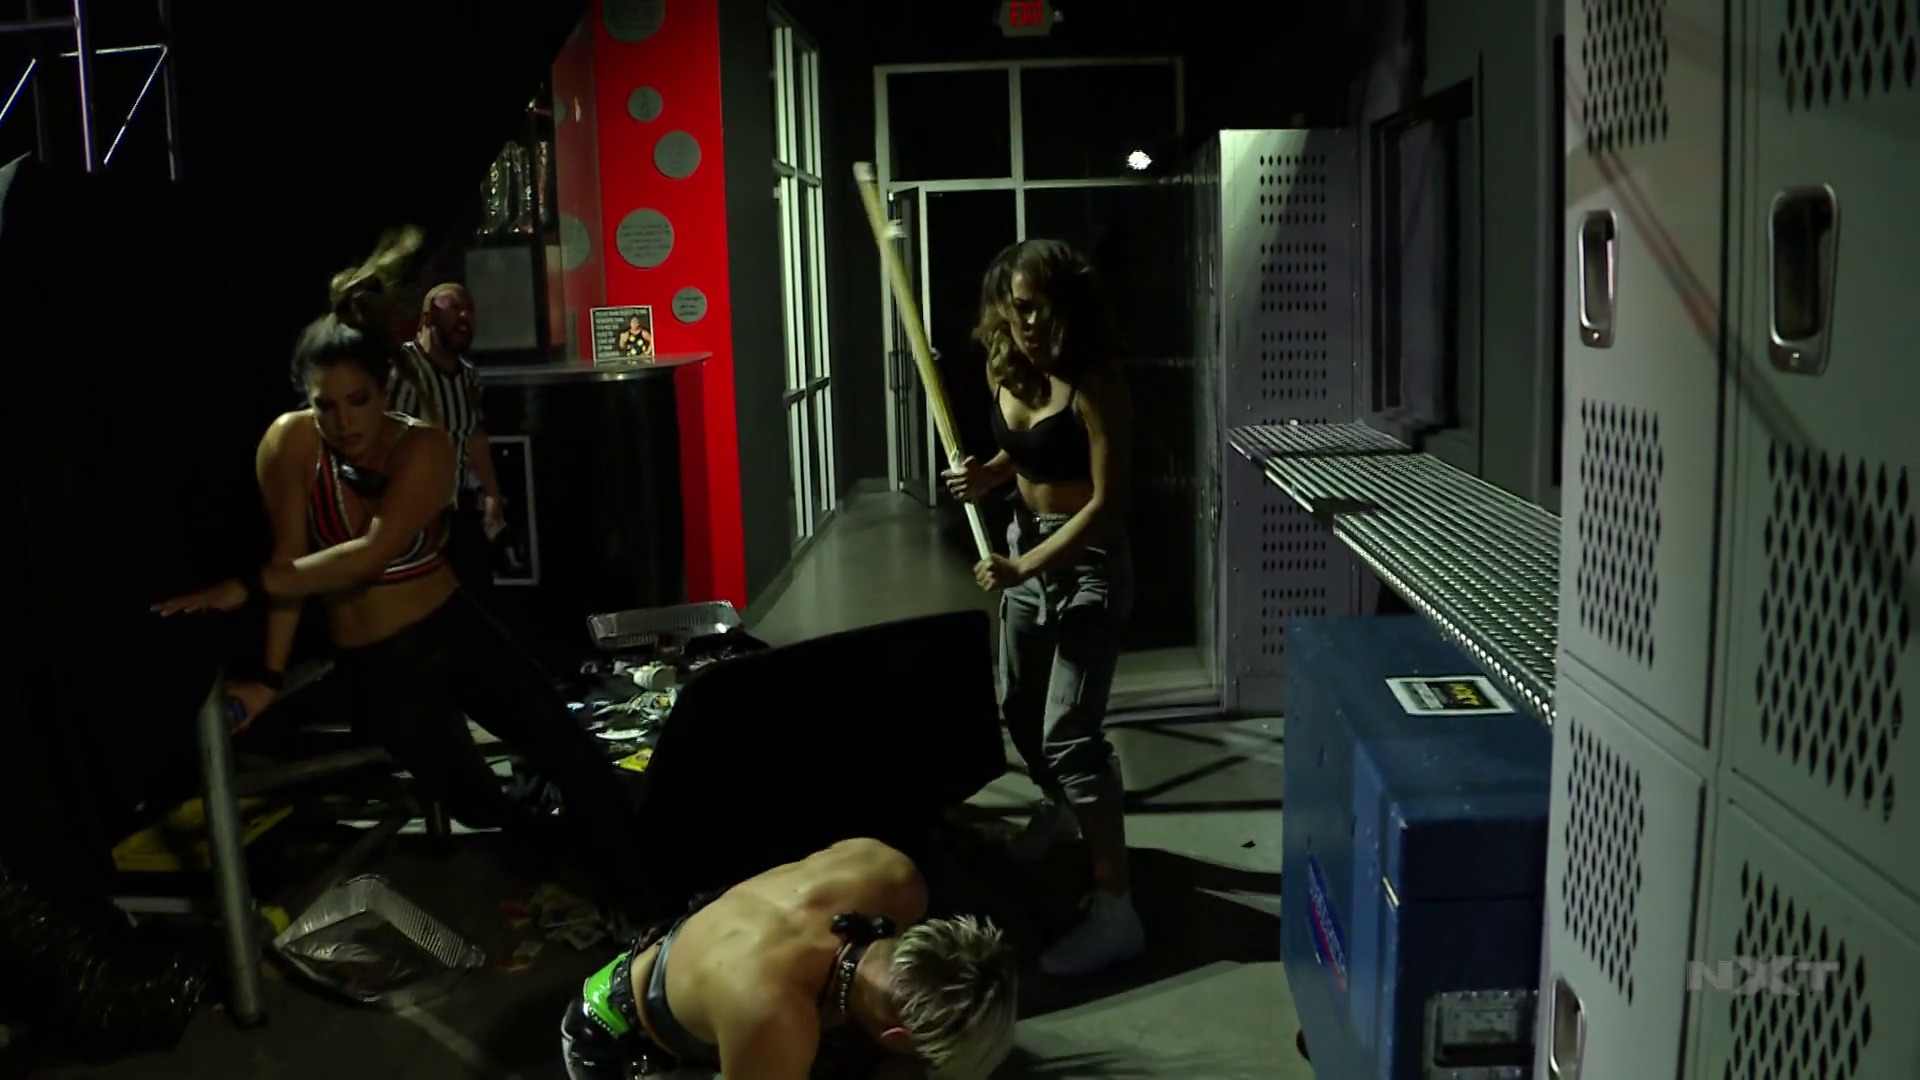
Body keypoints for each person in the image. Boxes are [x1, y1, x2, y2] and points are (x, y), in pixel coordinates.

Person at [151, 229, 649, 918]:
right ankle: (549, 846)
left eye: (357, 400)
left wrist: (246, 587)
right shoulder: (289, 443)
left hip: (451, 628)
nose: (342, 421)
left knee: (567, 747)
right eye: (325, 405)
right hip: (376, 661)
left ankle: (646, 895)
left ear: (383, 389)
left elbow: (370, 554)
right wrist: (266, 676)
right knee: (474, 798)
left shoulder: (424, 445)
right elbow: (292, 567)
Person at [942, 238, 1142, 978]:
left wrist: (1024, 566)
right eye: (1012, 307)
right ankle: (1062, 810)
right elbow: (1025, 455)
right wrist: (988, 476)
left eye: (1033, 308)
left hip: (1086, 564)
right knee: (1019, 708)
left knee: (1070, 736)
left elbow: (1106, 504)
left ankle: (1118, 912)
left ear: (1066, 305)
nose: (1021, 322)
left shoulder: (1097, 382)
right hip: (1022, 545)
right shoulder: (1010, 366)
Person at [560, 838, 1018, 1080]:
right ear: (896, 1035)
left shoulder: (894, 876)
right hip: (614, 1038)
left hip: (691, 964)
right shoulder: (778, 1020)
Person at [388, 282, 506, 601]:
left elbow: (474, 435)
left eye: (470, 310)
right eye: (454, 308)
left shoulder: (468, 377)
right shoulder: (401, 369)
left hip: (457, 508)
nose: (465, 317)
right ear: (427, 318)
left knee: (476, 597)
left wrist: (492, 493)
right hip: (413, 513)